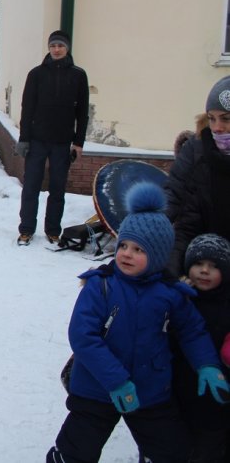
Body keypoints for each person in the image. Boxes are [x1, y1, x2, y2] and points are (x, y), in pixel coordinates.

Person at [46, 182, 229, 463]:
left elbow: (192, 331)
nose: (127, 254)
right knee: (77, 449)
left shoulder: (170, 294)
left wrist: (207, 365)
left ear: (156, 256)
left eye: (139, 249)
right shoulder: (100, 286)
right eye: (124, 246)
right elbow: (84, 337)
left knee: (172, 451)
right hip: (98, 387)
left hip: (150, 387)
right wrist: (117, 380)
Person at [15, 30, 89, 246]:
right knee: (31, 187)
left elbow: (82, 111)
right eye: (53, 46)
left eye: (60, 46)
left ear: (67, 48)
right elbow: (27, 108)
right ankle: (26, 229)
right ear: (48, 48)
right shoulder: (36, 74)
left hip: (62, 143)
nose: (56, 49)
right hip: (37, 141)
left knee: (57, 189)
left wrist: (78, 142)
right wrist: (24, 139)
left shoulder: (78, 75)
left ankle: (53, 230)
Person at [172, 233, 230, 462]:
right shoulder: (178, 298)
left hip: (215, 401)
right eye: (198, 263)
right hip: (178, 394)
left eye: (213, 266)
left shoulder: (226, 304)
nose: (204, 270)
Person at [164, 75, 230, 275]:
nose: (217, 127)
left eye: (226, 118)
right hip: (198, 261)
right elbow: (171, 198)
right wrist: (140, 237)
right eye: (211, 118)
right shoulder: (196, 150)